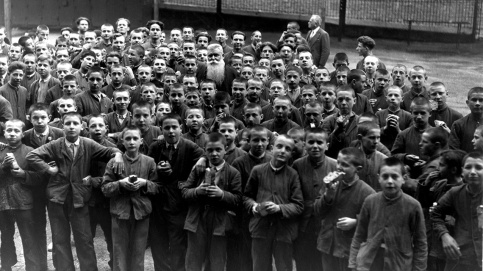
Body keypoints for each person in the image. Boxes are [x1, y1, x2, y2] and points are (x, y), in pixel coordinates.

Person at [26, 112, 124, 271]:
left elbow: (109, 152)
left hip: (79, 197)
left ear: (82, 127)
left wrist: (118, 154)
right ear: (62, 126)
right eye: (67, 123)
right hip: (57, 197)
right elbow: (32, 156)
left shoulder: (88, 143)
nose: (71, 127)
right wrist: (49, 170)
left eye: (75, 124)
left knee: (84, 239)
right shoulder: (56, 144)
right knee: (59, 239)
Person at [147, 113, 204, 271]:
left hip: (179, 205)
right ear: (161, 129)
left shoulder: (190, 147)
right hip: (158, 204)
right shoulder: (156, 147)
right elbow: (146, 168)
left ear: (181, 128)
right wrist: (156, 170)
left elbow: (208, 155)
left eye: (174, 127)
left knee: (178, 246)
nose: (171, 131)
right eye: (167, 128)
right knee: (158, 244)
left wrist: (203, 158)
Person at [349, 157, 427, 271]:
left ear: (404, 178)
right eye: (385, 177)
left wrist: (419, 269)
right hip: (370, 263)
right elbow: (358, 235)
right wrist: (352, 264)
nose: (390, 181)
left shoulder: (413, 206)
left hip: (399, 264)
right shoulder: (370, 201)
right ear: (378, 178)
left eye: (395, 177)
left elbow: (420, 243)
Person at [181, 132, 242, 271]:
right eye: (210, 150)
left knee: (217, 260)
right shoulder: (198, 169)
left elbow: (238, 199)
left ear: (225, 149)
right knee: (193, 259)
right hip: (197, 220)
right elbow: (184, 191)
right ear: (205, 150)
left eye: (218, 149)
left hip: (219, 221)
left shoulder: (233, 173)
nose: (214, 154)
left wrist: (222, 194)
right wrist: (197, 191)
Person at [102, 125, 158, 271]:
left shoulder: (149, 162)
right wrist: (120, 184)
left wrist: (145, 183)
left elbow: (158, 188)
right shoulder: (114, 162)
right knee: (119, 253)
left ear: (141, 141)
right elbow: (105, 188)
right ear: (122, 141)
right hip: (120, 213)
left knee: (138, 254)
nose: (132, 142)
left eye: (135, 139)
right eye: (128, 139)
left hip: (142, 213)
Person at [244, 134, 303, 271]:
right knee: (260, 266)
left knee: (284, 266)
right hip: (260, 229)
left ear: (291, 153)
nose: (283, 151)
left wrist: (279, 208)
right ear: (271, 148)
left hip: (283, 231)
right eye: (279, 146)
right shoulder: (258, 170)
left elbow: (298, 205)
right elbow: (246, 196)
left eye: (287, 149)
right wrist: (254, 207)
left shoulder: (293, 175)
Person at [314, 147, 375, 271]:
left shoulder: (367, 192)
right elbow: (318, 212)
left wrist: (356, 222)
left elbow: (376, 220)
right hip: (327, 244)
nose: (339, 167)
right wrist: (328, 195)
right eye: (338, 162)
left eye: (345, 165)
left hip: (348, 249)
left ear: (357, 169)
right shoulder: (331, 183)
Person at [0, 119, 42, 271]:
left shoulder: (30, 152)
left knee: (28, 236)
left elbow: (40, 177)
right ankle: (6, 266)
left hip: (23, 201)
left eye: (16, 131)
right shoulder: (0, 151)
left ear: (23, 134)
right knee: (5, 236)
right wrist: (3, 167)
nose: (12, 134)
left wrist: (24, 174)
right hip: (3, 202)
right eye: (9, 130)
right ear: (4, 132)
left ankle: (33, 268)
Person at [292, 128, 337, 271]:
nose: (315, 146)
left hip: (326, 228)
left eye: (319, 142)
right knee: (303, 264)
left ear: (327, 145)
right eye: (311, 142)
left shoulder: (335, 165)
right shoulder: (297, 165)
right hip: (303, 226)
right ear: (304, 144)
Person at [431, 152, 483, 271]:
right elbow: (435, 214)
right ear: (462, 171)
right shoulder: (455, 193)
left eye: (479, 168)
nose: (473, 172)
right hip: (461, 258)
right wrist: (444, 236)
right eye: (468, 167)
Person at [85, 115, 116, 269]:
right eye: (93, 126)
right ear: (87, 129)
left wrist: (98, 180)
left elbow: (117, 174)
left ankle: (114, 265)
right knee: (86, 238)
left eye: (100, 126)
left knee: (112, 238)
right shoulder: (82, 146)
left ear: (106, 128)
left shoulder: (113, 149)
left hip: (106, 201)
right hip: (87, 200)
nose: (97, 129)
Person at [321, 85, 359, 158]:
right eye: (340, 99)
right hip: (335, 159)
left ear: (354, 101)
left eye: (347, 99)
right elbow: (324, 145)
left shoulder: (360, 121)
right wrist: (337, 130)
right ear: (336, 101)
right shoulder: (328, 121)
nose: (344, 103)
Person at [375, 86, 413, 150]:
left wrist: (398, 130)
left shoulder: (408, 116)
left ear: (402, 99)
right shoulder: (378, 114)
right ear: (386, 98)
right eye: (390, 95)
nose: (392, 98)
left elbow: (410, 138)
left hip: (401, 150)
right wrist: (385, 128)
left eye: (396, 95)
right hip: (382, 150)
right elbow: (373, 134)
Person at [450, 87, 483, 153]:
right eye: (474, 100)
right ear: (467, 103)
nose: (477, 103)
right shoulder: (458, 125)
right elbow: (454, 152)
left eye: (481, 100)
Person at [355, 122, 387, 190]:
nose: (376, 141)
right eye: (372, 138)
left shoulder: (384, 160)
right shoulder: (351, 158)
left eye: (378, 138)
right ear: (360, 137)